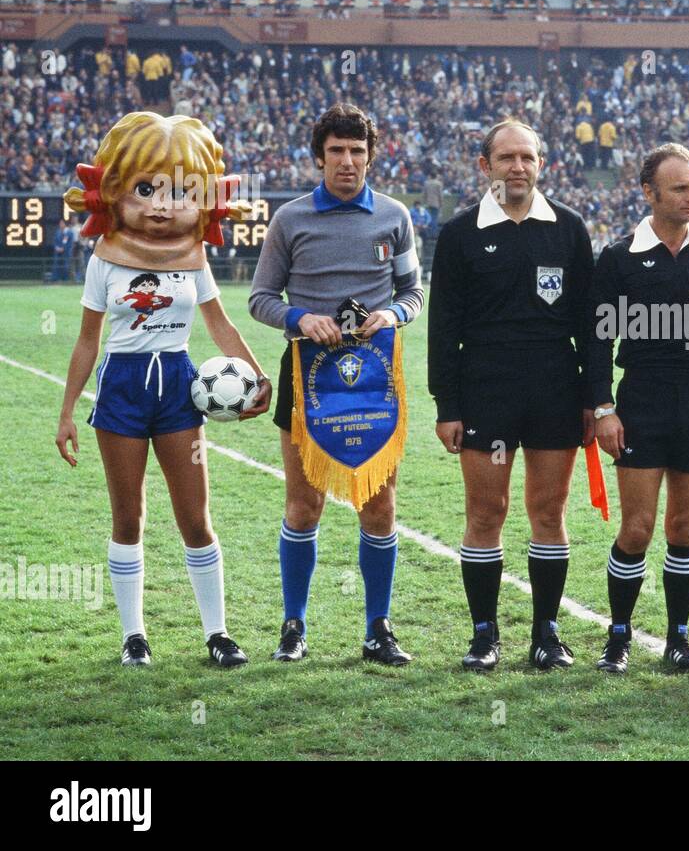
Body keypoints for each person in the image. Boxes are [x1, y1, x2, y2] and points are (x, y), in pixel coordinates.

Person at [55, 111, 271, 667]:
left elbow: (220, 325)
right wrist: (65, 414)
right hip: (122, 388)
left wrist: (256, 377)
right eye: (145, 189)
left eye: (178, 191)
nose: (160, 203)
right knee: (129, 519)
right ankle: (134, 637)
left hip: (179, 387)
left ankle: (218, 634)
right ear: (115, 191)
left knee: (195, 517)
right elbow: (86, 341)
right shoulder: (103, 262)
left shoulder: (193, 258)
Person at [249, 102, 424, 666]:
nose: (347, 162)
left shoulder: (395, 217)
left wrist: (393, 316)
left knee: (380, 507)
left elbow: (413, 294)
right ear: (319, 157)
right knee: (304, 506)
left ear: (371, 156)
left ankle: (378, 629)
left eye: (356, 151)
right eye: (336, 152)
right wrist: (300, 318)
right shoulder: (290, 220)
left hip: (376, 378)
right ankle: (293, 626)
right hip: (307, 379)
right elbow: (260, 299)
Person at [429, 118, 594, 672]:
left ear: (541, 165)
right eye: (507, 158)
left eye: (528, 158)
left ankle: (547, 634)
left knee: (549, 510)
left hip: (553, 389)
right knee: (486, 511)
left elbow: (591, 326)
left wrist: (595, 399)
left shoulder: (568, 229)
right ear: (486, 166)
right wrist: (447, 405)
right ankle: (484, 634)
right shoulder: (459, 234)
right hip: (486, 392)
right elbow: (442, 328)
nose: (518, 167)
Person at [589, 143, 689, 673]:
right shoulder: (619, 258)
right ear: (649, 193)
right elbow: (597, 341)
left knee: (683, 527)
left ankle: (679, 639)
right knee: (636, 527)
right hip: (642, 400)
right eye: (680, 188)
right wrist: (603, 408)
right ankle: (618, 637)